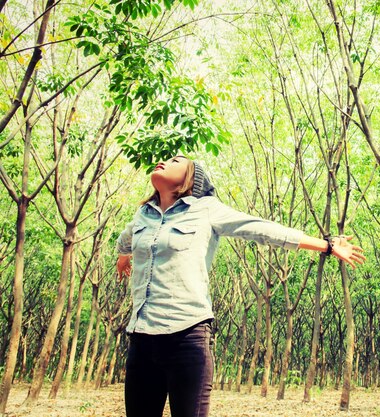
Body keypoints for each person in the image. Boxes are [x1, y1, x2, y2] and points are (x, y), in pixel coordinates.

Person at [115, 155, 365, 417]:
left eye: (176, 161)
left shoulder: (206, 209)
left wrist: (326, 245)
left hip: (186, 336)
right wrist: (124, 259)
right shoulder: (143, 214)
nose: (164, 162)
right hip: (141, 339)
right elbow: (125, 241)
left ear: (191, 179)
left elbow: (262, 229)